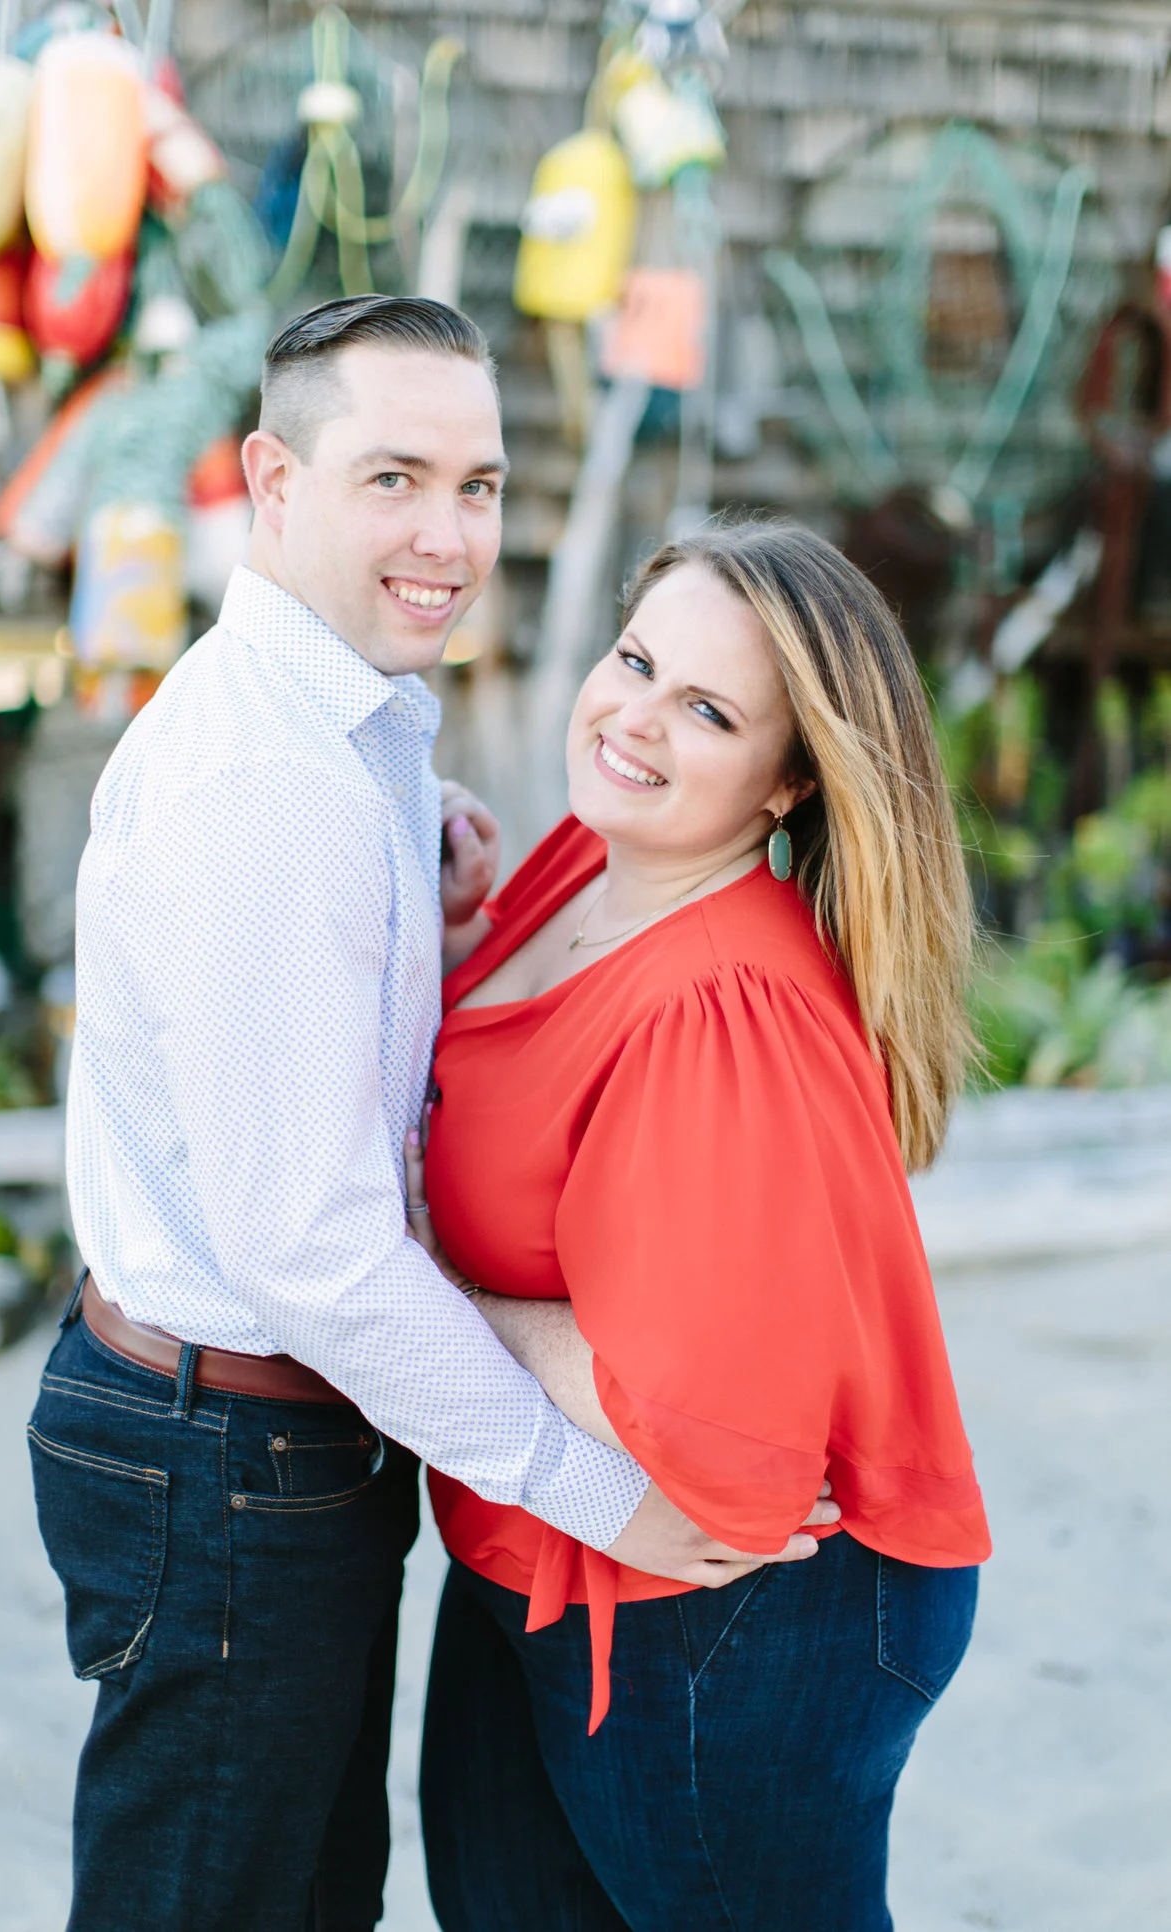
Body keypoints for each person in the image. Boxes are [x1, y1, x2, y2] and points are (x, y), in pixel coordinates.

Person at [35, 293, 832, 1932]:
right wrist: (600, 1490)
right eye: (394, 477)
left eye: (477, 485)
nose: (448, 535)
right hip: (226, 1445)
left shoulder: (358, 719)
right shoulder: (277, 785)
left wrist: (440, 910)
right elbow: (316, 1254)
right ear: (271, 478)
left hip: (250, 1434)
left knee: (308, 1894)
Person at [411, 519, 990, 1932]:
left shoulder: (722, 1010)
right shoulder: (576, 866)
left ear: (791, 780)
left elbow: (692, 1427)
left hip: (737, 1616)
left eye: (709, 711)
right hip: (536, 1549)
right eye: (636, 661)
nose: (636, 721)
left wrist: (417, 1292)